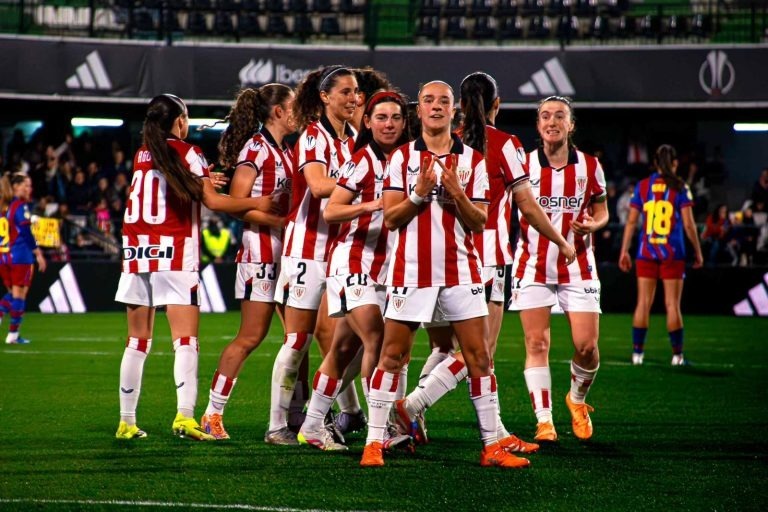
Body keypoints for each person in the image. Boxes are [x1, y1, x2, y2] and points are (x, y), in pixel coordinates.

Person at [393, 72, 576, 452]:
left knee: (443, 347)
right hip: (484, 259)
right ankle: (412, 406)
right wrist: (561, 240)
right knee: (480, 354)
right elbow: (528, 206)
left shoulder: (450, 141)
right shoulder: (505, 144)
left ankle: (483, 428)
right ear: (497, 104)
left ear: (458, 106)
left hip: (436, 259)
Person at [361, 80, 528, 468]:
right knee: (392, 356)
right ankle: (374, 442)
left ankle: (492, 446)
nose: (436, 106)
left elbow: (480, 221)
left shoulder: (473, 160)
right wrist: (419, 194)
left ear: (455, 110)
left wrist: (458, 194)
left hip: (461, 270)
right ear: (418, 110)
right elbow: (391, 218)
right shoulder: (401, 158)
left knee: (479, 357)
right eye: (428, 100)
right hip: (411, 271)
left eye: (444, 101)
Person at [114, 94, 267, 441]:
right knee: (185, 341)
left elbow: (172, 183)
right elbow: (212, 202)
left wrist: (202, 180)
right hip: (175, 253)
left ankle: (126, 421)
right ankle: (184, 416)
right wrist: (260, 201)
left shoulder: (142, 154)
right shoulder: (189, 152)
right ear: (180, 121)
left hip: (137, 252)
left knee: (136, 342)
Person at [297, 91, 410, 451]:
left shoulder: (410, 159)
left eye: (395, 118)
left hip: (388, 267)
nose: (388, 124)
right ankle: (382, 428)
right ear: (368, 122)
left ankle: (312, 425)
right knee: (377, 338)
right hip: (353, 260)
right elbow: (331, 211)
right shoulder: (361, 161)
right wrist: (373, 205)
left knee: (343, 349)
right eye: (381, 117)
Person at [508, 95, 609, 443]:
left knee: (587, 346)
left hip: (578, 266)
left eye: (559, 116)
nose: (552, 122)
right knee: (536, 343)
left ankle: (577, 400)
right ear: (538, 126)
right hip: (532, 265)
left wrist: (594, 225)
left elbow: (602, 210)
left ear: (571, 125)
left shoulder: (590, 166)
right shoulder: (523, 164)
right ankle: (544, 420)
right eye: (546, 116)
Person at [267, 65, 359, 445]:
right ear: (325, 97)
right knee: (298, 340)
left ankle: (341, 412)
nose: (353, 98)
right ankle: (277, 426)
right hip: (306, 250)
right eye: (345, 92)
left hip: (342, 251)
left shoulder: (355, 139)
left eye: (356, 92)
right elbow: (319, 187)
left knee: (351, 339)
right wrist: (366, 183)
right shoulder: (313, 136)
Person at [200, 84, 296, 440]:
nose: (299, 113)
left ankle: (295, 415)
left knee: (298, 338)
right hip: (260, 256)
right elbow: (236, 203)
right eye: (293, 106)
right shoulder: (256, 149)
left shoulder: (285, 150)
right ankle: (212, 413)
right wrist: (278, 221)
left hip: (286, 255)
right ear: (278, 112)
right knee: (251, 336)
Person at [619, 145, 705, 365]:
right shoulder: (680, 187)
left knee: (643, 303)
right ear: (675, 163)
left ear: (655, 163)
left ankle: (637, 354)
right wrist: (698, 251)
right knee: (672, 305)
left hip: (646, 251)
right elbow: (689, 224)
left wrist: (624, 250)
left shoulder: (643, 186)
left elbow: (631, 222)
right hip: (672, 252)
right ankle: (677, 356)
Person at [0, 174, 47, 344]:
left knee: (13, 294)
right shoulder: (19, 206)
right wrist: (38, 253)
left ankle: (12, 332)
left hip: (5, 255)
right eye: (25, 185)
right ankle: (13, 335)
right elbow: (25, 231)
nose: (29, 189)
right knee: (19, 295)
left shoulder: (4, 206)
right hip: (20, 255)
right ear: (15, 186)